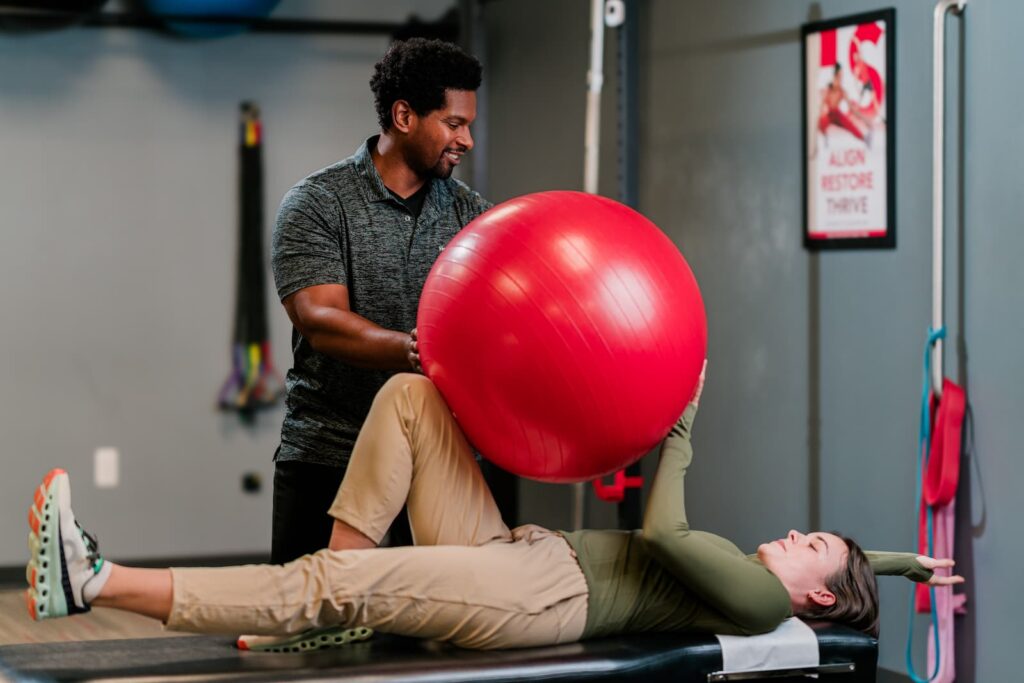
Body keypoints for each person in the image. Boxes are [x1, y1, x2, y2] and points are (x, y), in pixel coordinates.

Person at [25, 369, 962, 651]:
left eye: (815, 548)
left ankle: (91, 580)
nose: (797, 534)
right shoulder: (785, 584)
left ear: (817, 599)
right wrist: (891, 560)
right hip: (521, 547)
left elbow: (665, 531)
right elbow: (841, 576)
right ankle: (329, 623)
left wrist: (681, 426)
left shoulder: (760, 601)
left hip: (541, 594)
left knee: (328, 579)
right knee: (411, 398)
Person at [269, 38, 493, 562]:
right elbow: (320, 319)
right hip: (329, 452)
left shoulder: (473, 216)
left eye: (469, 125)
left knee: (426, 634)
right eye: (454, 124)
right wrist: (416, 349)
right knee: (304, 624)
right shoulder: (320, 202)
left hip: (437, 461)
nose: (468, 140)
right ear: (404, 115)